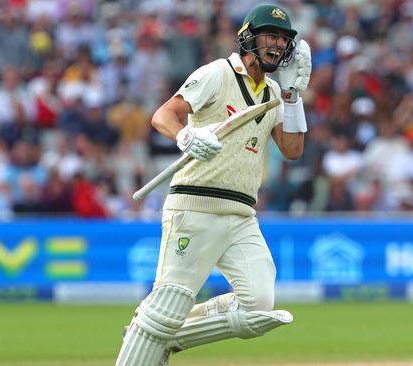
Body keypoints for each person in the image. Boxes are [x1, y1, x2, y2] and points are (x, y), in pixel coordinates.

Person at [115, 5, 311, 366]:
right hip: (195, 205)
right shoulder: (217, 73)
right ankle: (155, 329)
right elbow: (163, 115)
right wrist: (186, 135)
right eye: (271, 35)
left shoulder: (272, 93)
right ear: (248, 37)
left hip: (241, 215)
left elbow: (293, 149)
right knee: (168, 303)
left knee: (258, 305)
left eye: (284, 39)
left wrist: (293, 96)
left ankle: (161, 334)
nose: (278, 44)